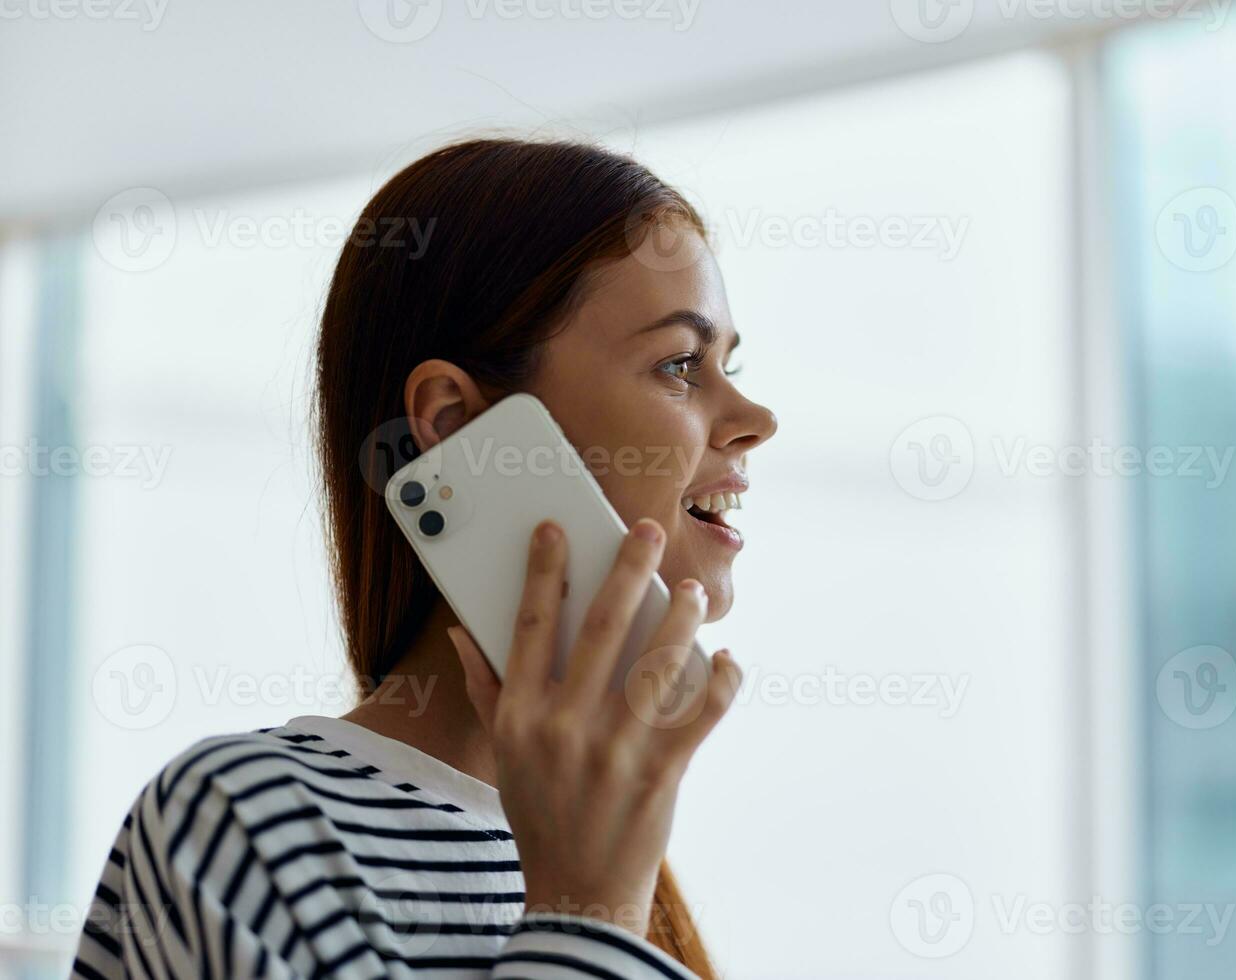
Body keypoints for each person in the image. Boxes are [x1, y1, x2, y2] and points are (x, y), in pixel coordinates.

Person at [69, 137, 778, 979]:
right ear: (450, 425)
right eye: (679, 364)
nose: (756, 415)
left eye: (728, 364)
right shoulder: (247, 823)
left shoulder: (623, 865)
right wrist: (588, 912)